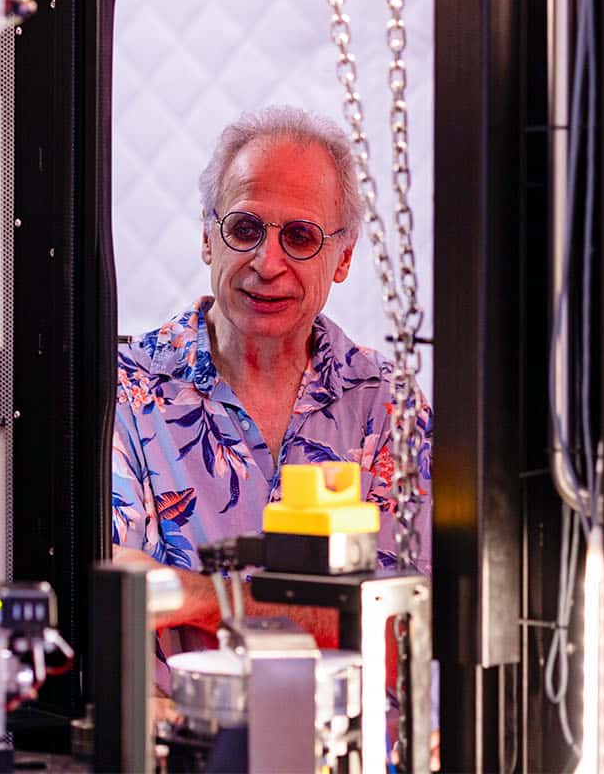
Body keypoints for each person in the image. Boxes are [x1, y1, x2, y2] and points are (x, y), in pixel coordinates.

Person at [110, 104, 434, 676]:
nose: (267, 262)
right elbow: (113, 596)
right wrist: (327, 618)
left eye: (302, 237)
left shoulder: (386, 406)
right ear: (209, 238)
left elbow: (414, 634)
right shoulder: (124, 392)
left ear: (344, 258)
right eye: (245, 228)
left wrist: (204, 597)